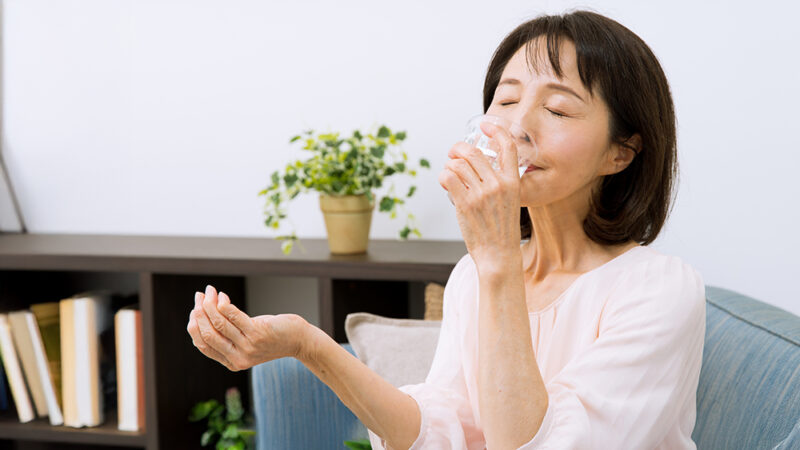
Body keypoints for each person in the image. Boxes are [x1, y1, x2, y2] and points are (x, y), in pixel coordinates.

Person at [186, 9, 706, 449]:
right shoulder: (473, 275)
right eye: (505, 100)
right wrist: (308, 344)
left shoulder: (659, 291)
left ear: (621, 152)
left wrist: (498, 258)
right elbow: (441, 428)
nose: (517, 125)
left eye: (556, 107)